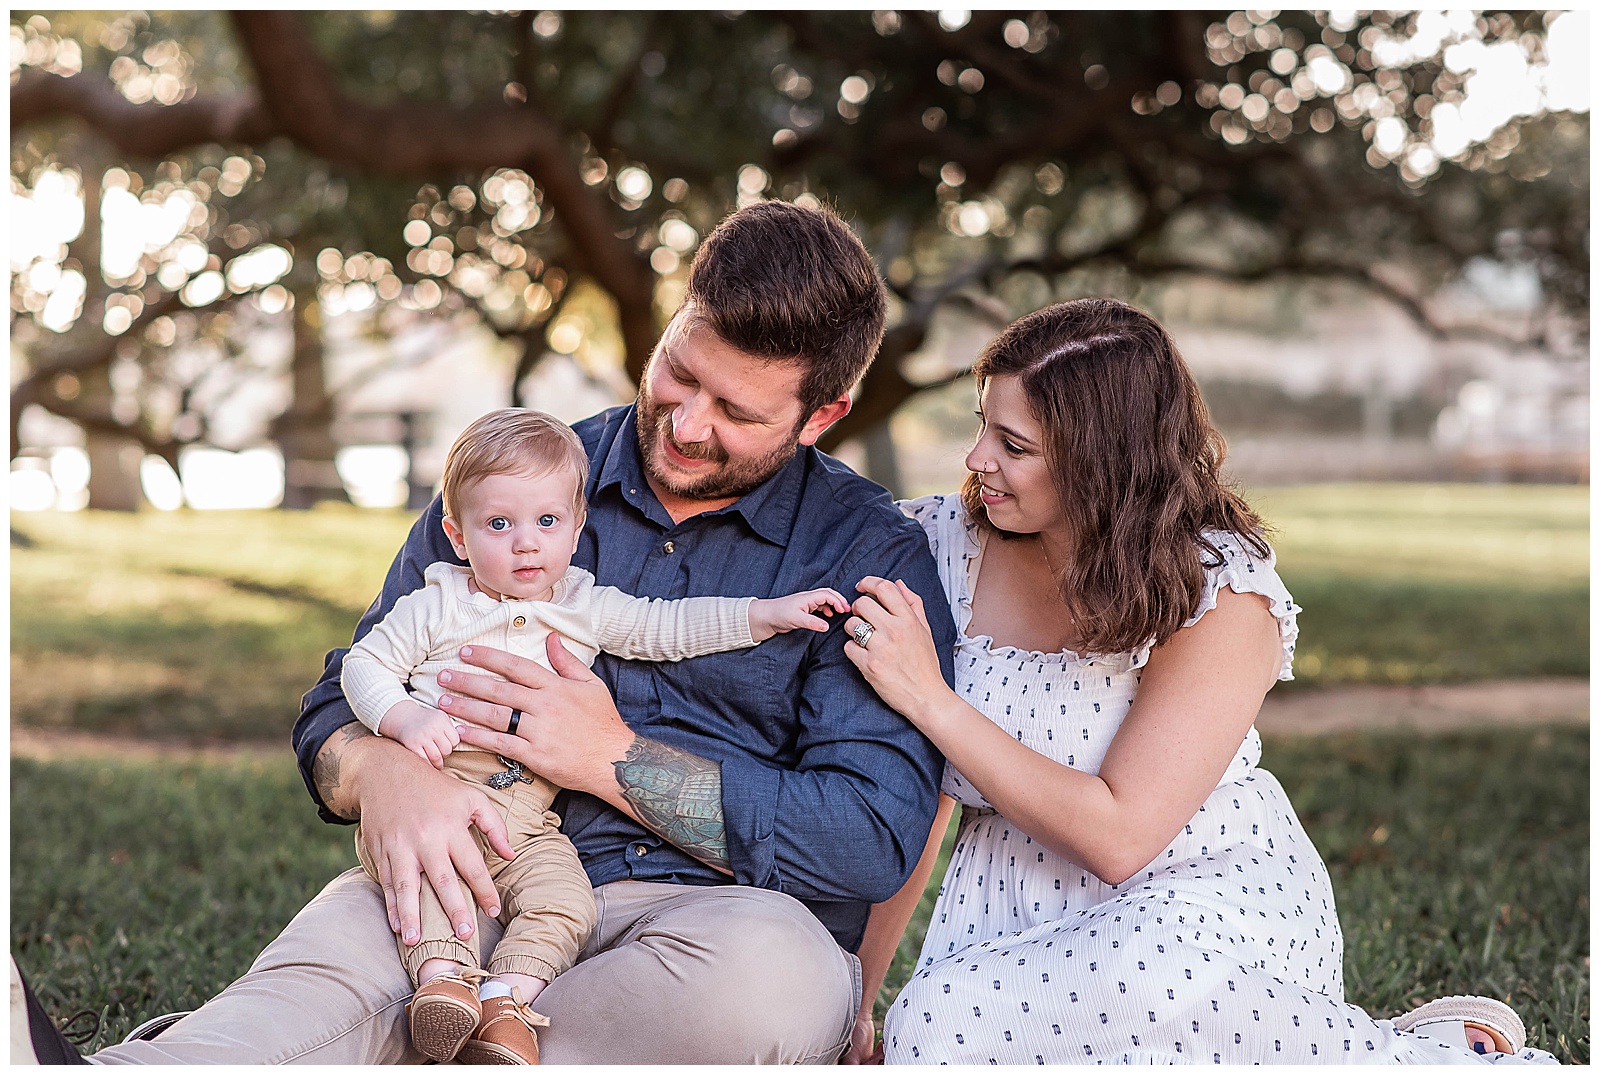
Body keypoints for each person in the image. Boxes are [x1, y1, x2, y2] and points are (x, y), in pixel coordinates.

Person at [76, 199, 955, 1064]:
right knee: (304, 995)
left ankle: (489, 1035)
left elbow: (869, 837)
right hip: (477, 864)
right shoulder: (514, 479)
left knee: (769, 982)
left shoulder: (865, 553)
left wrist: (610, 757)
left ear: (823, 415)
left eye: (738, 412)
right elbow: (331, 707)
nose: (688, 424)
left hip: (720, 926)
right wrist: (385, 770)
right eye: (680, 373)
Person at [834, 298, 1558, 1065]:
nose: (978, 458)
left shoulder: (1219, 586)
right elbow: (905, 800)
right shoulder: (937, 548)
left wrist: (931, 698)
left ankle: (1433, 1057)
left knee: (951, 1020)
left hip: (1199, 905)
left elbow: (1119, 838)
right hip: (1010, 919)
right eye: (982, 425)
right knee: (928, 1026)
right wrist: (859, 999)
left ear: (1100, 460)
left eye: (1014, 444)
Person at [341, 406, 851, 1063]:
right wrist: (403, 718)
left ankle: (505, 999)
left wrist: (764, 614)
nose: (526, 542)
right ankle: (442, 986)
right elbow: (364, 665)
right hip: (439, 791)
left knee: (566, 903)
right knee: (436, 894)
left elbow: (669, 627)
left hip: (527, 823)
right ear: (457, 535)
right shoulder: (437, 603)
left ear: (576, 527)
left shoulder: (583, 604)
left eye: (546, 522)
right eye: (499, 524)